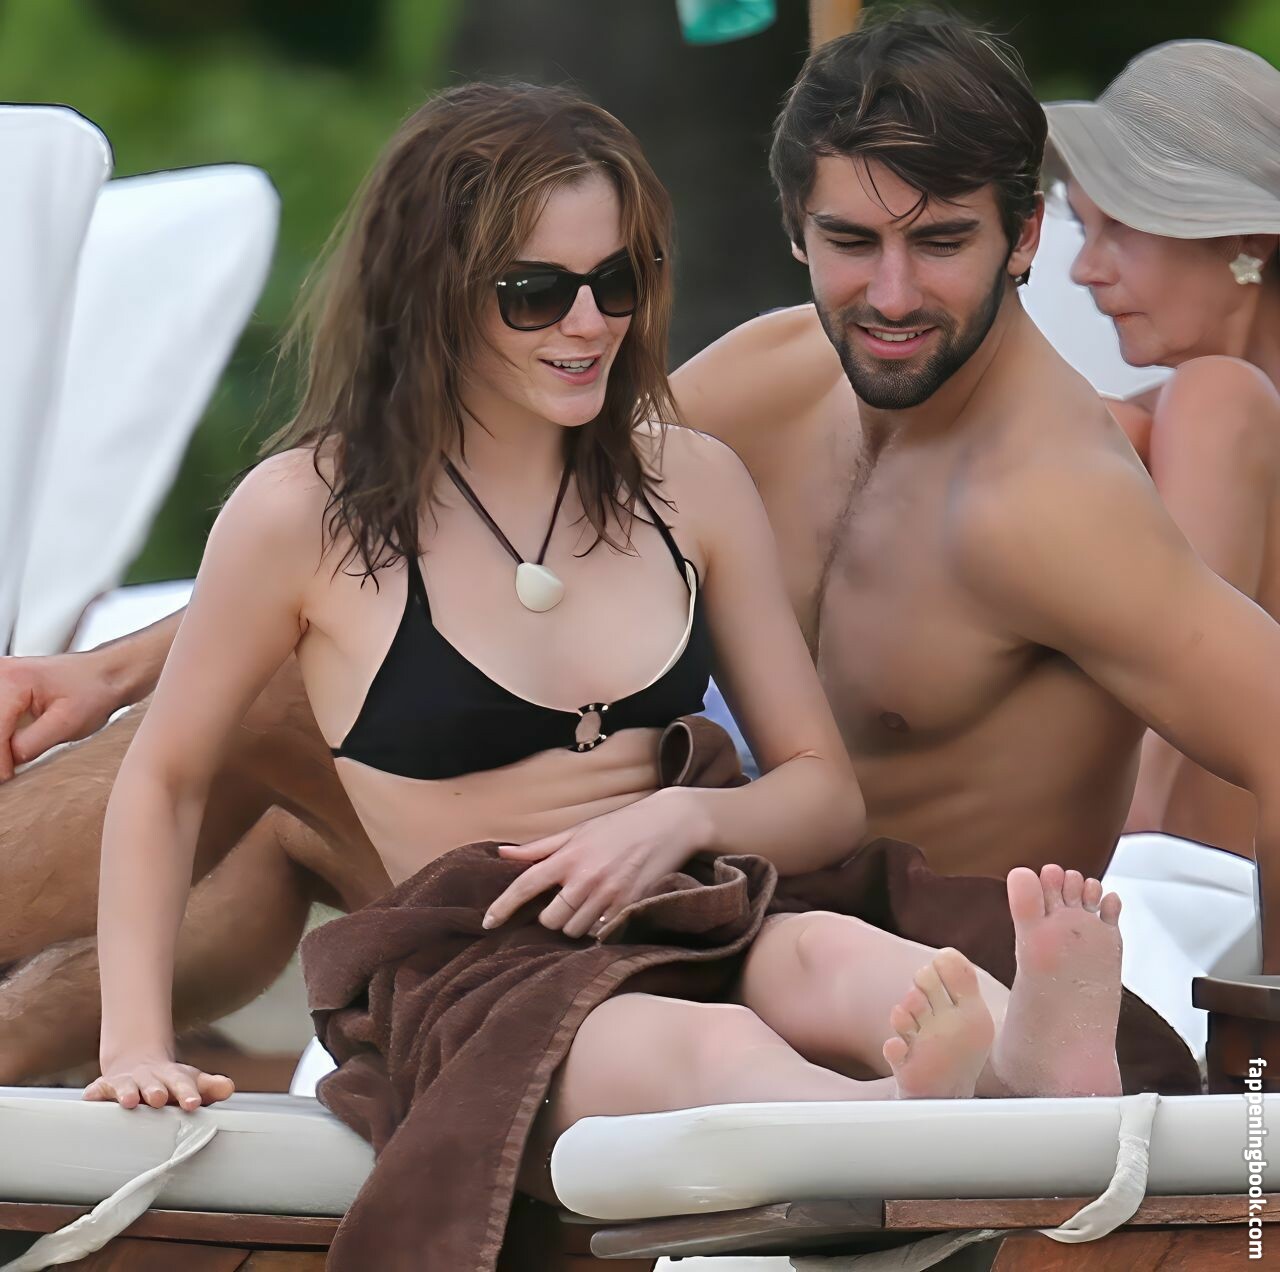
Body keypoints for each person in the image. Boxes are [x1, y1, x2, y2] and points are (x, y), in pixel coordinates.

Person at [0, 9, 1245, 1086]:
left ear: (1022, 240)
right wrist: (109, 671)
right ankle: (43, 1064)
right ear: (794, 228)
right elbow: (416, 531)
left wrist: (1264, 1074)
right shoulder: (777, 376)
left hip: (874, 967)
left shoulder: (1050, 505)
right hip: (604, 893)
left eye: (940, 243)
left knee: (277, 720)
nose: (890, 293)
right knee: (286, 728)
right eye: (851, 241)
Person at [1043, 39, 1280, 858]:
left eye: (1120, 224)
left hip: (1168, 889)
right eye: (1083, 226)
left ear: (1246, 237)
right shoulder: (1143, 423)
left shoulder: (1213, 405)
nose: (1083, 270)